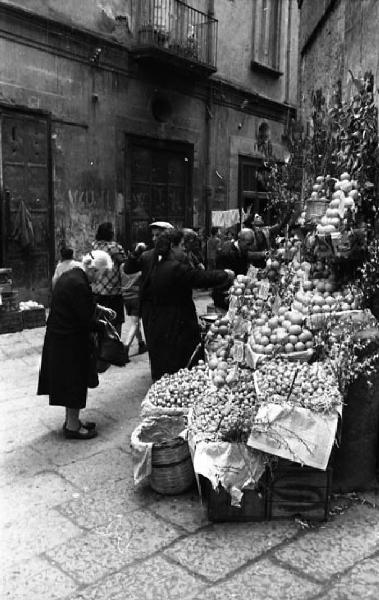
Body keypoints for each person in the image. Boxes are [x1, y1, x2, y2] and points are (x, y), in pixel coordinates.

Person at [37, 250, 116, 440]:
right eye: (101, 273)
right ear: (92, 268)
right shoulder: (79, 283)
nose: (101, 278)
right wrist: (104, 326)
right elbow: (84, 319)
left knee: (70, 381)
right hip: (69, 340)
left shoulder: (72, 275)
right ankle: (73, 427)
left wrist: (100, 309)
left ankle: (72, 421)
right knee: (75, 382)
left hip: (62, 338)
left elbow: (81, 305)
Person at [139, 230, 234, 381]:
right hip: (173, 324)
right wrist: (225, 274)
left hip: (156, 323)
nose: (184, 248)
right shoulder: (173, 267)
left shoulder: (156, 263)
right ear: (172, 246)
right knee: (175, 365)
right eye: (182, 245)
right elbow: (198, 278)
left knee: (162, 365)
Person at [91, 222, 126, 337]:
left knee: (99, 321)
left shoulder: (94, 245)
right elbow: (124, 262)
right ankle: (115, 348)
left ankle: (100, 349)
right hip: (113, 291)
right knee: (116, 322)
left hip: (97, 290)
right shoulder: (115, 247)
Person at [212, 228, 255, 310]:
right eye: (248, 244)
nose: (250, 247)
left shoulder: (243, 251)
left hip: (237, 294)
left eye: (251, 244)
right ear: (239, 240)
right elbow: (221, 278)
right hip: (224, 296)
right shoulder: (226, 253)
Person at [120, 265, 147, 363]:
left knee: (135, 322)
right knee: (135, 324)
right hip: (135, 297)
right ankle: (125, 348)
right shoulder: (138, 268)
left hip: (126, 297)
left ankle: (141, 344)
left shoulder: (122, 266)